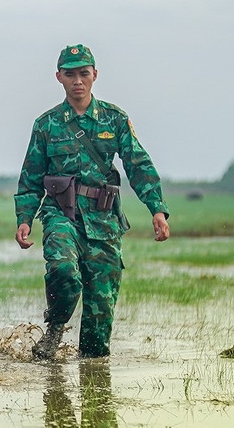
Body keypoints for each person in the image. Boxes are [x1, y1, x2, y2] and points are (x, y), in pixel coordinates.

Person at [14, 44, 170, 359]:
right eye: (70, 74)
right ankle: (55, 328)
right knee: (63, 270)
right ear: (59, 77)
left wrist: (157, 209)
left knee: (100, 315)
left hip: (104, 219)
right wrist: (25, 218)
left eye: (83, 74)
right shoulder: (46, 124)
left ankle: (93, 372)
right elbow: (31, 177)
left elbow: (138, 165)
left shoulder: (114, 119)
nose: (77, 81)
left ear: (95, 75)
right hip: (61, 214)